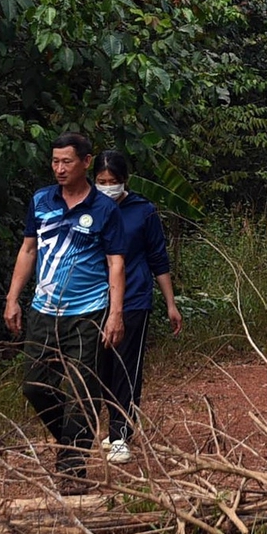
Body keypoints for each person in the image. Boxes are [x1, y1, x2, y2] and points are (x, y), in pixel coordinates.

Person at [3, 133, 125, 493]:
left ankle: (71, 471)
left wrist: (115, 313)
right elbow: (28, 250)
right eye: (55, 161)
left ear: (86, 162)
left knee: (82, 392)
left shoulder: (105, 210)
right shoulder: (41, 200)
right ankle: (72, 442)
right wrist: (13, 298)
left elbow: (116, 262)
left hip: (88, 312)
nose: (59, 168)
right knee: (35, 386)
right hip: (44, 311)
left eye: (66, 162)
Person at [91, 150, 181, 464]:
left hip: (134, 298)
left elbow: (158, 258)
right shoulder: (88, 208)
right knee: (99, 368)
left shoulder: (142, 211)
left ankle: (121, 434)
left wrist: (170, 302)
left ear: (124, 181)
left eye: (112, 181)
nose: (107, 187)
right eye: (101, 181)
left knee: (126, 367)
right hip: (94, 299)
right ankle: (109, 424)